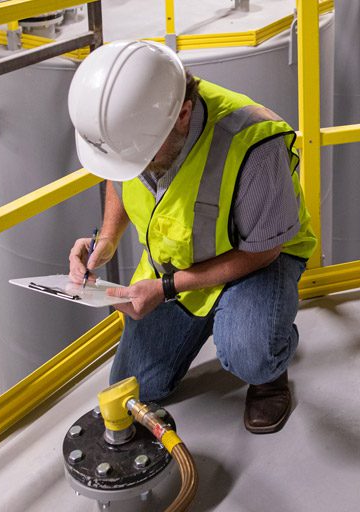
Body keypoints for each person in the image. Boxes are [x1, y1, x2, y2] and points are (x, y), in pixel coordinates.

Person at [65, 40, 317, 434]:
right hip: (180, 261)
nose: (136, 167)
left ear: (183, 114)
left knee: (250, 352)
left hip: (257, 261)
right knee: (142, 386)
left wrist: (166, 288)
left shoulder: (253, 142)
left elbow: (265, 251)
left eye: (141, 157)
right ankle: (221, 319)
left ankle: (269, 367)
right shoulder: (142, 128)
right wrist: (107, 240)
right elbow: (121, 175)